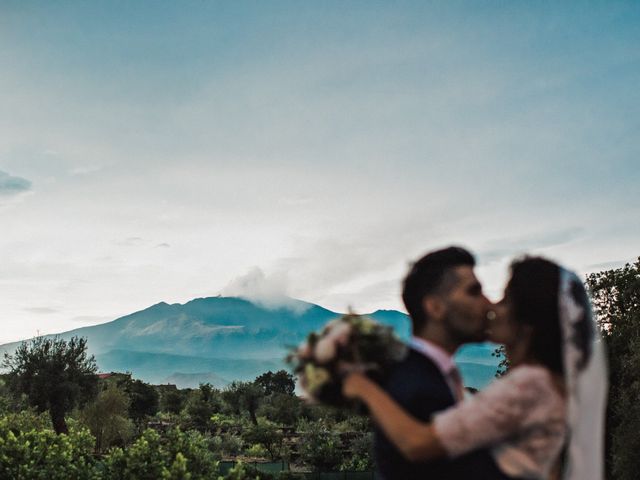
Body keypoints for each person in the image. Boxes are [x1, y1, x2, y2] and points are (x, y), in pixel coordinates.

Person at [344, 257, 607, 480]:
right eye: (476, 292)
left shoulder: (529, 384)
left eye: (504, 301)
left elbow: (417, 443)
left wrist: (362, 386)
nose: (491, 306)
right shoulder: (545, 383)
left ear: (526, 325)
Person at [367, 246, 505, 480]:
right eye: (474, 292)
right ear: (435, 307)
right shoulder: (417, 390)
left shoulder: (427, 375)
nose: (488, 303)